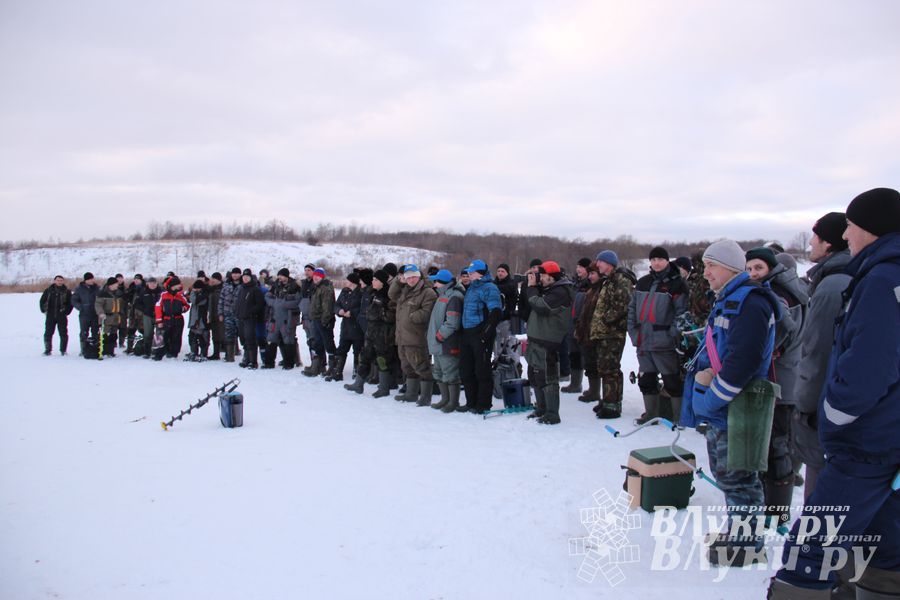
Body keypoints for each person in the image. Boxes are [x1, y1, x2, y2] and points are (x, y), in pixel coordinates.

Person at [770, 188, 900, 599]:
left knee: (809, 552)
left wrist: (835, 413)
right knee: (883, 545)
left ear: (870, 228)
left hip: (865, 441)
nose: (846, 233)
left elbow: (869, 364)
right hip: (886, 436)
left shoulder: (882, 279)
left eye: (851, 225)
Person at [681, 239, 781, 567]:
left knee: (739, 476)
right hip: (726, 406)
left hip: (738, 406)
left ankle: (747, 544)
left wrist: (712, 400)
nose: (705, 272)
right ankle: (739, 533)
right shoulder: (729, 299)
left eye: (712, 265)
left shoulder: (750, 302)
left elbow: (744, 360)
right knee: (728, 474)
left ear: (731, 268)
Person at [745, 246, 809, 528]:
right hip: (789, 378)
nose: (753, 274)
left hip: (778, 381)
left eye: (758, 268)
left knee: (776, 444)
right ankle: (773, 500)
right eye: (749, 269)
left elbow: (778, 335)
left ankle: (777, 509)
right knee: (776, 442)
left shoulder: (779, 295)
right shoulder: (794, 290)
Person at [627, 246, 689, 424]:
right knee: (646, 378)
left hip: (664, 342)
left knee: (672, 380)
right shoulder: (643, 282)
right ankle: (651, 413)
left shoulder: (677, 284)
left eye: (660, 259)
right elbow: (632, 308)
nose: (656, 263)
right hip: (643, 341)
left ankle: (678, 417)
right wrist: (633, 331)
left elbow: (682, 313)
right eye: (653, 260)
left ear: (667, 261)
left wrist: (671, 335)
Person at [524, 260, 575, 424]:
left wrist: (532, 288)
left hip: (547, 340)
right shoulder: (550, 289)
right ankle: (541, 408)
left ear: (552, 277)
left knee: (547, 377)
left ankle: (552, 413)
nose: (541, 278)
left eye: (543, 275)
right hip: (536, 338)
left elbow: (541, 306)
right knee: (535, 375)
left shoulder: (561, 292)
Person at [589, 250, 636, 419]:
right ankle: (608, 399)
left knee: (611, 369)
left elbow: (622, 305)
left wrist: (606, 320)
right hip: (604, 333)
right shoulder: (608, 280)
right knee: (605, 368)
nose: (597, 264)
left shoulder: (621, 280)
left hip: (613, 333)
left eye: (600, 261)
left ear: (609, 263)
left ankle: (613, 406)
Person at [458, 259, 503, 414]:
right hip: (467, 333)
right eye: (468, 273)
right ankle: (471, 402)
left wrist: (485, 334)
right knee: (466, 370)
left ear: (481, 273)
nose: (469, 275)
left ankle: (483, 404)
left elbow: (496, 312)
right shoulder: (471, 287)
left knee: (482, 370)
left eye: (472, 273)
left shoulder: (489, 287)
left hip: (481, 333)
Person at [388, 264, 437, 405]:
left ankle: (426, 397)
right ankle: (411, 394)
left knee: (422, 367)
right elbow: (392, 295)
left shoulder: (427, 292)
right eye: (408, 277)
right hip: (403, 338)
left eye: (414, 276)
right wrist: (398, 281)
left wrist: (411, 316)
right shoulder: (405, 290)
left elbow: (427, 312)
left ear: (419, 276)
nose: (411, 280)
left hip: (417, 338)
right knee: (407, 367)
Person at [344, 269, 396, 397]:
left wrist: (380, 313)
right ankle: (358, 384)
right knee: (364, 357)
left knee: (382, 360)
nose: (373, 281)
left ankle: (384, 388)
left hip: (383, 334)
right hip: (371, 332)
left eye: (376, 279)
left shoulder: (388, 296)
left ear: (383, 282)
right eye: (373, 279)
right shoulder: (372, 293)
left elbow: (391, 316)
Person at [427, 269, 465, 412]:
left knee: (450, 373)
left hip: (447, 343)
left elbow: (452, 322)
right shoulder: (443, 295)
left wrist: (440, 336)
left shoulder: (454, 297)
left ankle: (452, 402)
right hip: (438, 344)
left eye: (436, 281)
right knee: (438, 372)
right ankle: (445, 399)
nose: (434, 284)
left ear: (443, 282)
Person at [562, 258, 593, 394]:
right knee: (573, 355)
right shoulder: (574, 284)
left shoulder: (592, 284)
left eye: (582, 267)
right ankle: (575, 384)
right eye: (577, 266)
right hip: (571, 324)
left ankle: (594, 388)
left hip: (585, 326)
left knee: (587, 357)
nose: (578, 269)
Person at [263, 268, 301, 370]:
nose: (279, 277)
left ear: (286, 276)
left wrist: (284, 304)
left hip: (288, 318)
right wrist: (274, 303)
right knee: (271, 339)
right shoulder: (276, 285)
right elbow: (267, 296)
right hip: (274, 317)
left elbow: (298, 300)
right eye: (279, 275)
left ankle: (289, 363)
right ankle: (269, 363)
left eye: (282, 276)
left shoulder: (294, 286)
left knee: (288, 340)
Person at [328, 272, 364, 381]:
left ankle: (357, 372)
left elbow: (363, 308)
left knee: (357, 350)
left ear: (352, 282)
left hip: (357, 327)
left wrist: (352, 313)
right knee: (342, 349)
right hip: (346, 327)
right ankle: (337, 372)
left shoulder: (361, 293)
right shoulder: (344, 291)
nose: (345, 281)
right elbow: (336, 304)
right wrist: (339, 311)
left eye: (347, 280)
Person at [303, 268, 337, 376]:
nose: (315, 278)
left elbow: (327, 307)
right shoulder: (316, 288)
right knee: (318, 344)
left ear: (322, 277)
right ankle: (318, 367)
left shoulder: (326, 288)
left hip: (324, 321)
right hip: (316, 319)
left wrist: (325, 320)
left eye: (318, 276)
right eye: (314, 276)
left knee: (328, 344)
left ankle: (333, 367)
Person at [234, 269, 265, 369]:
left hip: (250, 318)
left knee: (250, 339)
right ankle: (246, 359)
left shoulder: (255, 289)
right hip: (241, 318)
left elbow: (260, 304)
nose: (245, 278)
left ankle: (253, 361)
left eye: (247, 277)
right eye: (244, 277)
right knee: (244, 339)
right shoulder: (241, 288)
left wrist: (251, 312)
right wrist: (236, 311)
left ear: (250, 278)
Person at [154, 276, 190, 360]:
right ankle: (157, 353)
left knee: (176, 337)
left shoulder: (180, 295)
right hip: (166, 319)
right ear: (172, 286)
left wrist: (183, 308)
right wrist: (159, 320)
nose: (179, 286)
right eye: (177, 285)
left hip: (178, 319)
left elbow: (187, 305)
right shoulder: (163, 295)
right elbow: (158, 307)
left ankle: (173, 353)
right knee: (161, 336)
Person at [39, 275, 72, 355]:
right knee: (48, 333)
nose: (59, 282)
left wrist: (66, 312)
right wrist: (44, 310)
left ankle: (63, 350)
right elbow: (42, 301)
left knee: (63, 333)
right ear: (54, 281)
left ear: (63, 281)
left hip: (62, 315)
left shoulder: (67, 291)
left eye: (61, 280)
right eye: (58, 280)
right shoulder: (48, 290)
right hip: (50, 315)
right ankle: (48, 350)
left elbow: (70, 303)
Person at [218, 267, 243, 362]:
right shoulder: (226, 285)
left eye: (237, 273)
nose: (235, 275)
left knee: (242, 334)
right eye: (234, 273)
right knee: (229, 334)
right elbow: (221, 300)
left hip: (240, 314)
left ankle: (244, 354)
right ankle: (229, 356)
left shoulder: (243, 285)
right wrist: (220, 313)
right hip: (228, 313)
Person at [494, 263, 519, 358]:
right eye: (498, 271)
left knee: (510, 347)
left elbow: (509, 289)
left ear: (507, 273)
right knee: (496, 348)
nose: (500, 273)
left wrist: (492, 288)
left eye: (502, 271)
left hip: (507, 320)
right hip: (495, 320)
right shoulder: (493, 283)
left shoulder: (511, 283)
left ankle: (515, 367)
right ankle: (498, 368)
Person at [72, 272, 100, 356]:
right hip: (84, 314)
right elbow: (74, 300)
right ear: (85, 280)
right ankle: (83, 349)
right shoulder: (79, 288)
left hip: (95, 314)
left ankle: (96, 349)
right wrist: (81, 307)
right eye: (89, 279)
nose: (91, 280)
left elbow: (102, 299)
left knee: (95, 332)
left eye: (92, 278)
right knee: (84, 332)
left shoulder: (97, 288)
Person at [95, 277, 124, 357]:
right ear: (111, 285)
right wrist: (101, 313)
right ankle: (103, 350)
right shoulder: (103, 293)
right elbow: (98, 305)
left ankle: (110, 351)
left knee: (113, 335)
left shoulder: (118, 293)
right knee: (105, 335)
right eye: (116, 284)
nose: (117, 285)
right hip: (106, 317)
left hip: (115, 317)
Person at [135, 277, 161, 358]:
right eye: (151, 283)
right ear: (147, 284)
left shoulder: (161, 292)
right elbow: (137, 303)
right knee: (147, 334)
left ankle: (157, 352)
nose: (152, 285)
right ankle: (147, 352)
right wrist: (144, 309)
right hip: (147, 315)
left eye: (154, 283)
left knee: (159, 334)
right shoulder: (143, 292)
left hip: (159, 315)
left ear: (157, 283)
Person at [185, 279, 210, 361]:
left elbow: (194, 300)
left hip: (201, 320)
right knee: (193, 337)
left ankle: (203, 353)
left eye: (196, 288)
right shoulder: (200, 294)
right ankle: (194, 352)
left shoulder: (204, 296)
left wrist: (192, 292)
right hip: (195, 320)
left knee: (202, 338)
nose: (195, 290)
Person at [206, 273, 225, 360]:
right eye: (212, 278)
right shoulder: (210, 289)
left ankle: (228, 353)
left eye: (214, 278)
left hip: (221, 314)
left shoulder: (223, 288)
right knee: (215, 334)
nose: (212, 280)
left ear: (219, 280)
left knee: (223, 334)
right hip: (212, 314)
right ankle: (216, 353)